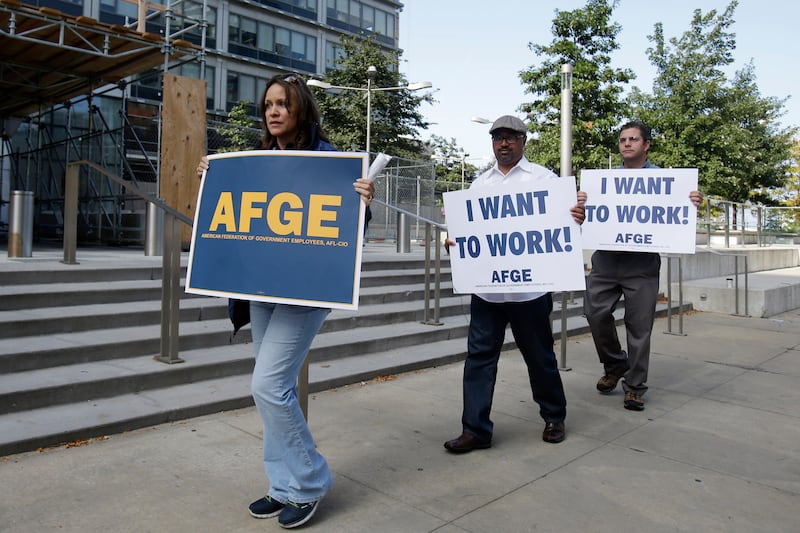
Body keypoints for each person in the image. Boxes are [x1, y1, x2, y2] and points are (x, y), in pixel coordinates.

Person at [196, 73, 374, 529]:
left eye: (283, 104)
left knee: (267, 386)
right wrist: (211, 181)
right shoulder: (254, 161)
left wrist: (363, 203)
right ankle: (282, 486)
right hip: (262, 287)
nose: (273, 111)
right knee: (273, 388)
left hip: (305, 289)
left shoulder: (329, 160)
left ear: (301, 111)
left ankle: (311, 483)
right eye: (268, 105)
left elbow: (352, 229)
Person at [442, 115, 587, 453]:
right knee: (479, 359)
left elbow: (565, 225)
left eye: (510, 137)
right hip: (488, 291)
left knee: (539, 357)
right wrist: (456, 242)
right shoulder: (479, 186)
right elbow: (468, 233)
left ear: (524, 141)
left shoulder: (545, 179)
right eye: (497, 138)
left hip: (529, 291)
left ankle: (554, 417)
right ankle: (475, 429)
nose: (503, 143)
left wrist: (577, 217)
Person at [583, 120, 703, 411]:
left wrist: (693, 203)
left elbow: (677, 216)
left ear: (646, 145)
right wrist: (581, 204)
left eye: (633, 139)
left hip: (642, 264)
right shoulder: (604, 183)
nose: (626, 143)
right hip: (607, 260)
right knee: (594, 313)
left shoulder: (666, 182)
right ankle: (615, 364)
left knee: (639, 327)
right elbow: (588, 216)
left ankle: (634, 387)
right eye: (623, 139)